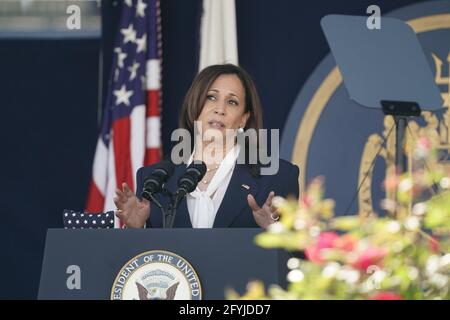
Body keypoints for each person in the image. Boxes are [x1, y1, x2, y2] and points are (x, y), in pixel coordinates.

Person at [114, 64, 299, 229]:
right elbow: (144, 261)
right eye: (211, 97)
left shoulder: (278, 178)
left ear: (244, 118)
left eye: (232, 102)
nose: (220, 109)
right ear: (194, 106)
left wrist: (278, 235)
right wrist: (135, 230)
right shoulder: (153, 179)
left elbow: (296, 259)